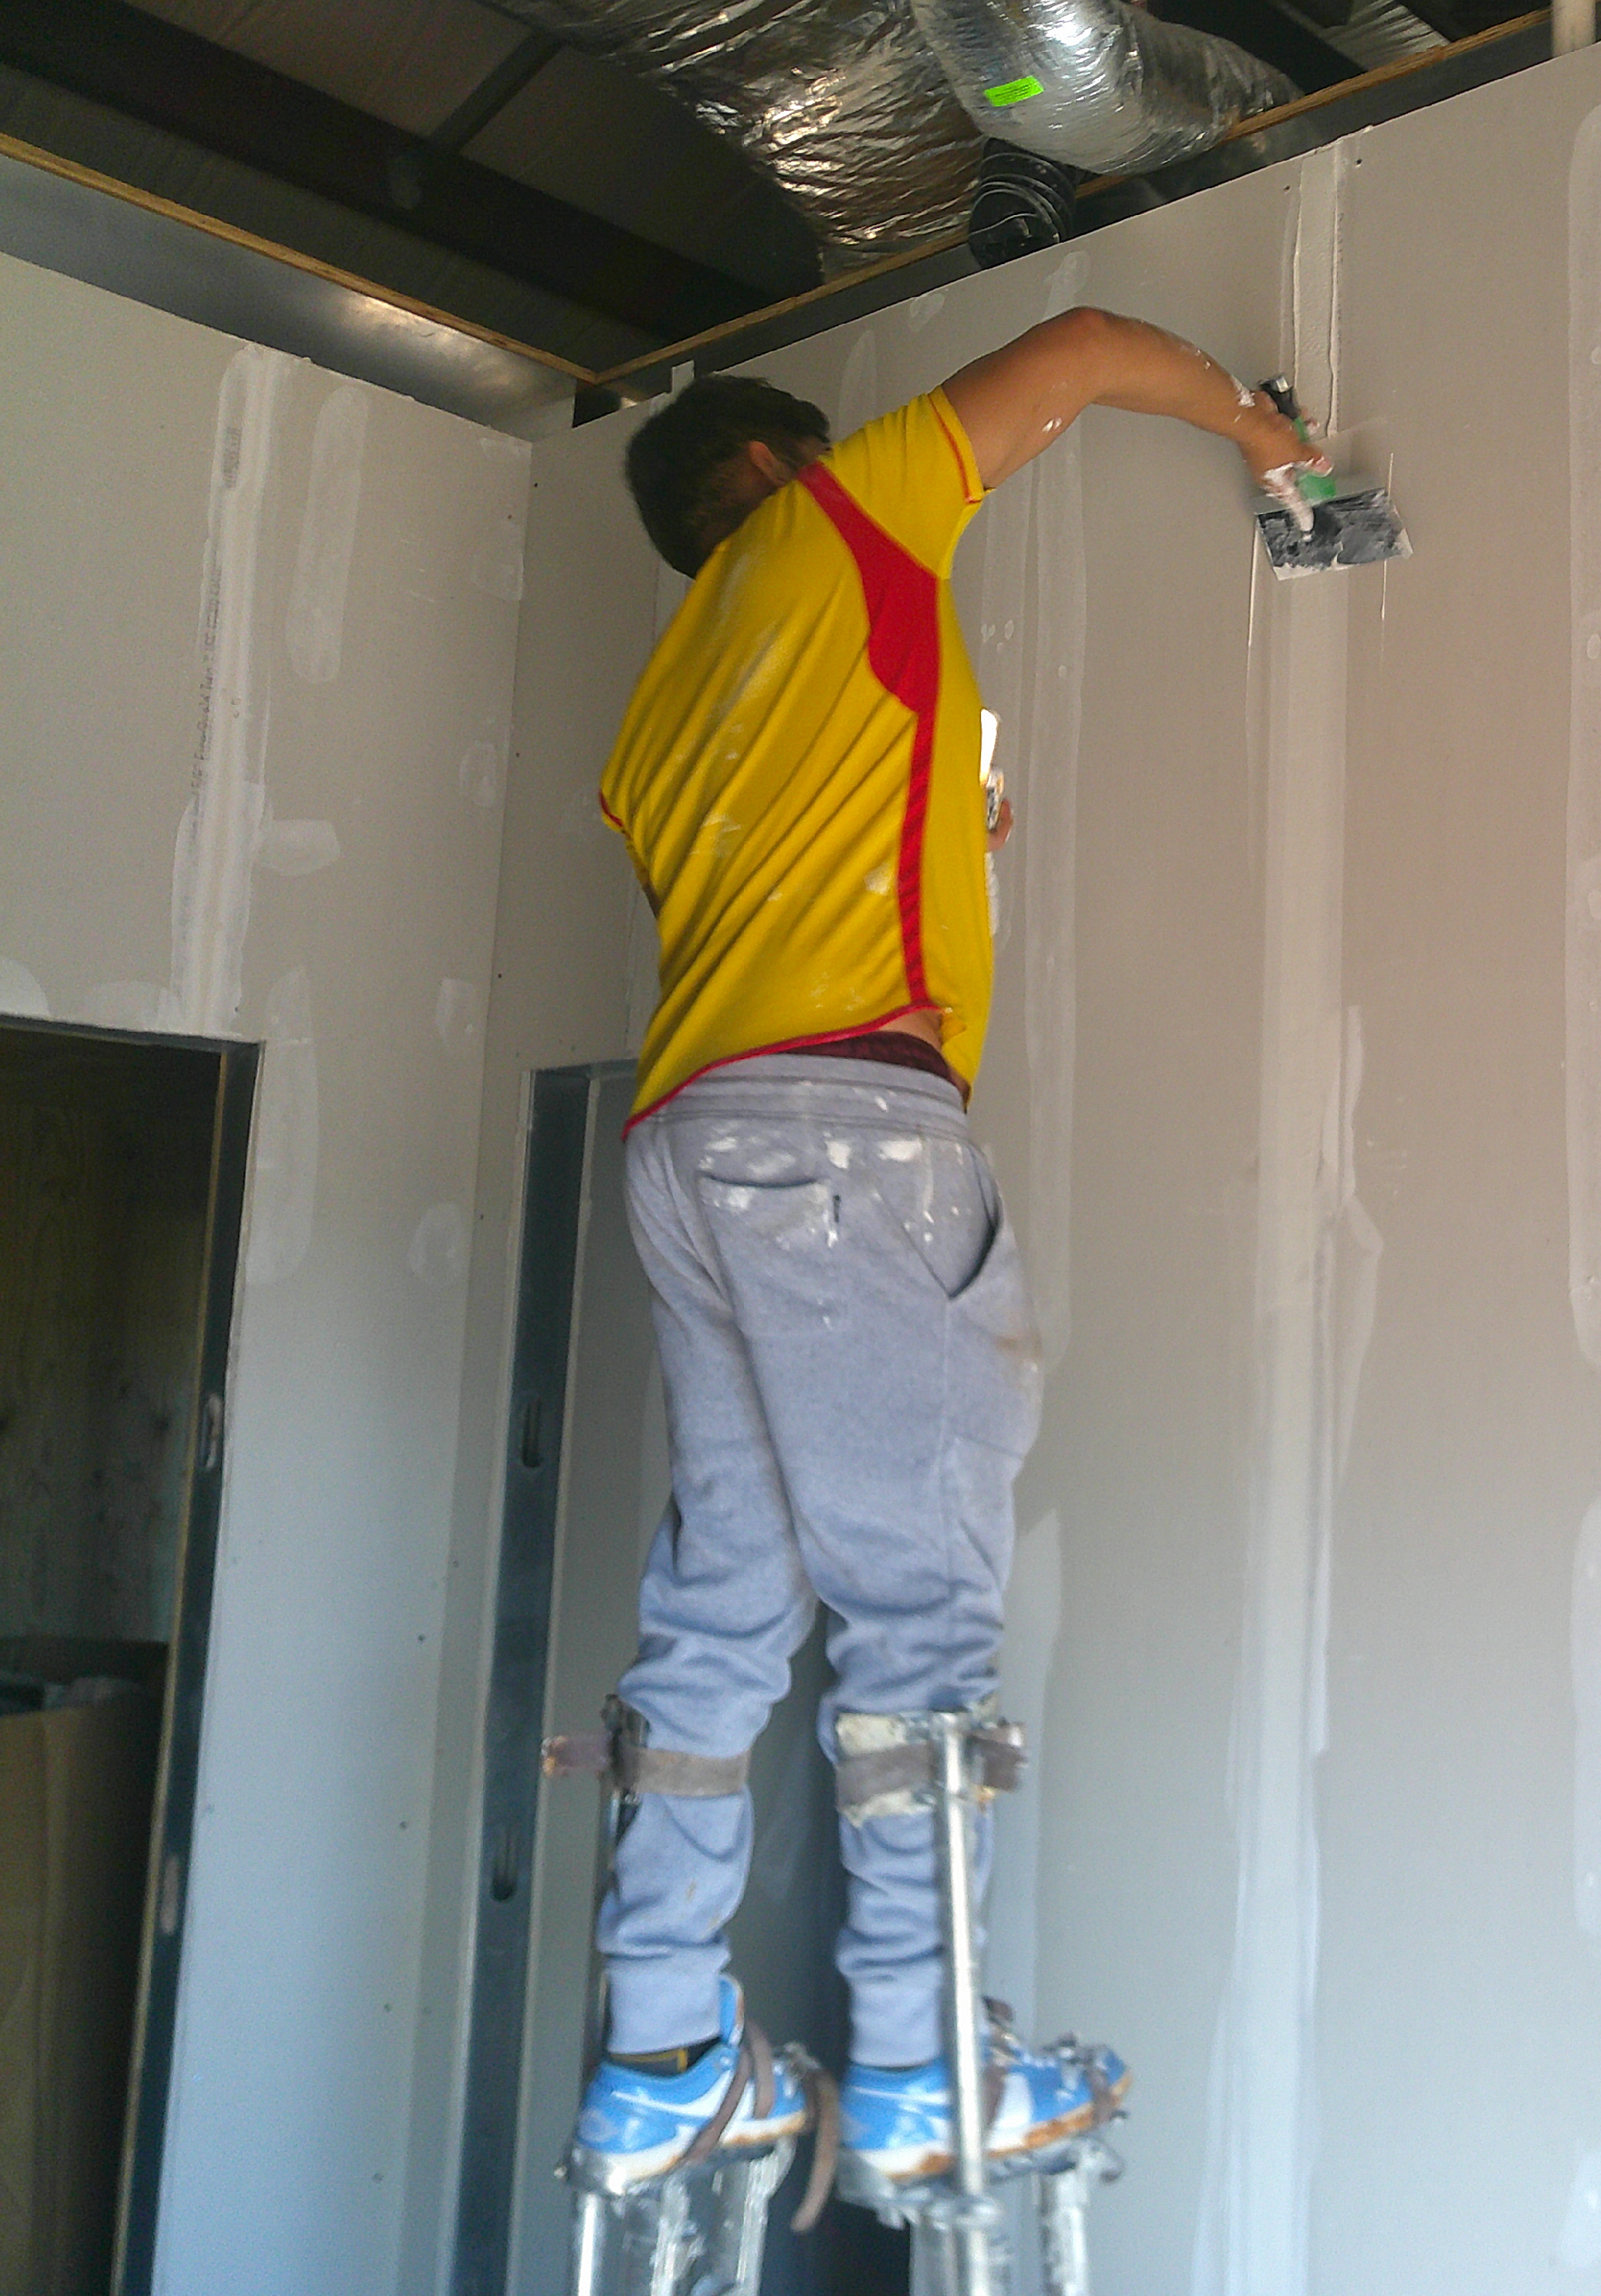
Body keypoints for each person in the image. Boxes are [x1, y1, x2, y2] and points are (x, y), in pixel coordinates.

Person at [568, 310, 1315, 2191]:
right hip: (841, 1142)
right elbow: (1079, 351)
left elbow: (789, 869)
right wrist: (1260, 436)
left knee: (724, 1616)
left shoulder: (658, 713)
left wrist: (945, 825)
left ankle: (658, 2055)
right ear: (771, 467)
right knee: (917, 1614)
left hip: (693, 1145)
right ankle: (917, 2065)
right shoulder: (830, 519)